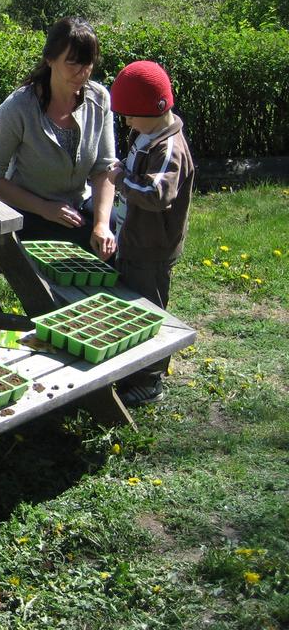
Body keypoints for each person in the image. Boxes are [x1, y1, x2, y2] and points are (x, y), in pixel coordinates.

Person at [0, 16, 117, 259]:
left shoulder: (99, 99)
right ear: (50, 59)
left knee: (117, 233)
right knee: (77, 246)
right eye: (72, 63)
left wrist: (102, 225)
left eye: (88, 63)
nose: (82, 73)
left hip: (78, 204)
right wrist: (45, 208)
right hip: (29, 211)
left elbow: (104, 169)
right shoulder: (18, 107)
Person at [107, 60, 195, 406]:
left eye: (130, 115)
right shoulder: (146, 133)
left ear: (156, 109)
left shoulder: (168, 148)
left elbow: (158, 195)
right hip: (132, 239)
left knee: (150, 309)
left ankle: (150, 379)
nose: (126, 121)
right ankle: (130, 366)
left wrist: (121, 181)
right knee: (128, 304)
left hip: (152, 248)